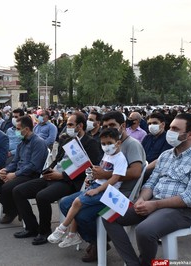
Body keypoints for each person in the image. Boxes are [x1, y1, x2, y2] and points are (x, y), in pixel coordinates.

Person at [103, 113, 191, 266]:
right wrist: (142, 199)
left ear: (190, 134)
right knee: (108, 215)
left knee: (144, 230)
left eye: (175, 129)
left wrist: (154, 205)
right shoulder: (165, 156)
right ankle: (133, 262)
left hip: (179, 210)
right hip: (152, 202)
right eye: (171, 127)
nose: (170, 131)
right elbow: (151, 183)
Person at [59, 110, 146, 262]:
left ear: (123, 126)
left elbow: (136, 172)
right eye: (105, 125)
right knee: (65, 204)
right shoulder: (108, 142)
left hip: (120, 195)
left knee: (82, 215)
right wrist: (93, 174)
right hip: (101, 188)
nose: (107, 128)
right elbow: (104, 167)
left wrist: (105, 175)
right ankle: (96, 240)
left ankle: (96, 242)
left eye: (112, 125)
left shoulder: (132, 144)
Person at [12, 111, 102, 245]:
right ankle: (31, 227)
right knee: (18, 191)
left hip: (70, 181)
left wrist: (62, 175)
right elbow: (58, 159)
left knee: (42, 196)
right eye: (67, 124)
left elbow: (89, 169)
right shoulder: (68, 140)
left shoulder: (90, 143)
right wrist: (49, 170)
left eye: (71, 124)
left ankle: (44, 231)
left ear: (80, 126)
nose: (68, 127)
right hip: (54, 176)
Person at [48, 128, 127, 248]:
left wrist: (97, 190)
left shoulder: (120, 158)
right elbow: (101, 172)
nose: (106, 146)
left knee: (78, 202)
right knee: (68, 204)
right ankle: (72, 235)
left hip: (108, 192)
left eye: (109, 143)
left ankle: (62, 228)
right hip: (96, 185)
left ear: (118, 143)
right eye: (103, 144)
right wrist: (91, 178)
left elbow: (115, 178)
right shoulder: (107, 155)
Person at [0, 115, 48, 225]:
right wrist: (5, 170)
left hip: (30, 175)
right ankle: (14, 208)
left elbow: (34, 165)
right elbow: (15, 162)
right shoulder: (21, 143)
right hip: (18, 173)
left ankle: (10, 211)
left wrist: (14, 174)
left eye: (18, 129)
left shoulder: (38, 142)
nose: (16, 131)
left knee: (7, 187)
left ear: (27, 129)